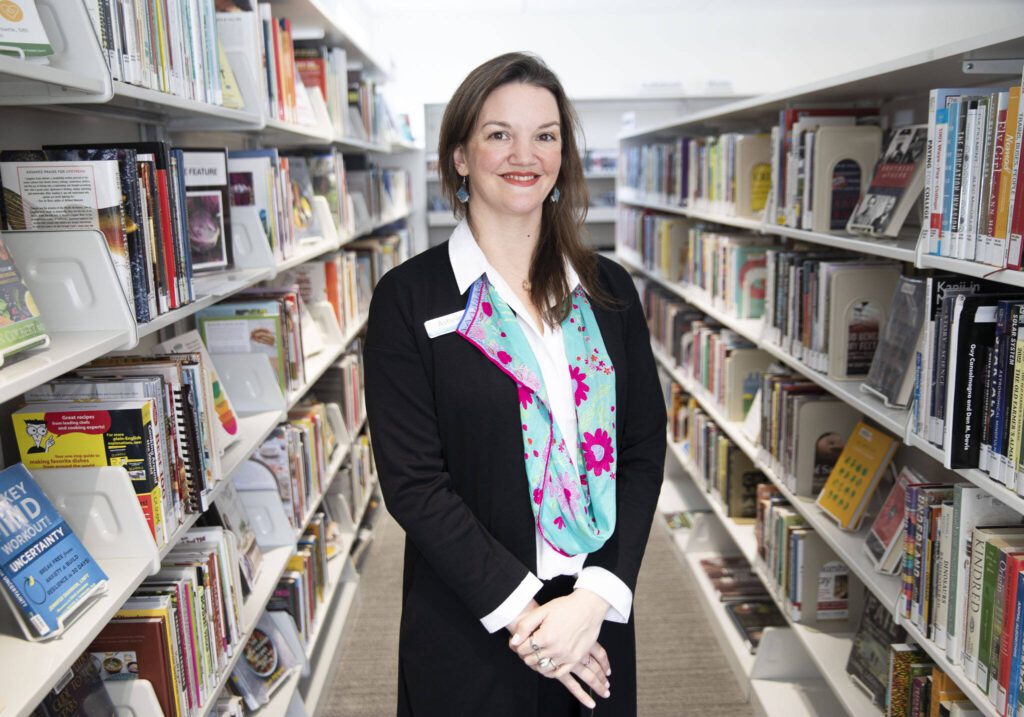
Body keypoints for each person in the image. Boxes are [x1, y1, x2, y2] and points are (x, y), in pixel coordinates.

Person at [364, 52, 666, 716]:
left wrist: (595, 595)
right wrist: (528, 619)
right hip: (474, 621)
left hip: (594, 617)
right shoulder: (409, 298)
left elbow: (641, 448)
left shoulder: (607, 289)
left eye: (546, 134)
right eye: (499, 133)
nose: (524, 153)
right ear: (461, 156)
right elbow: (414, 484)